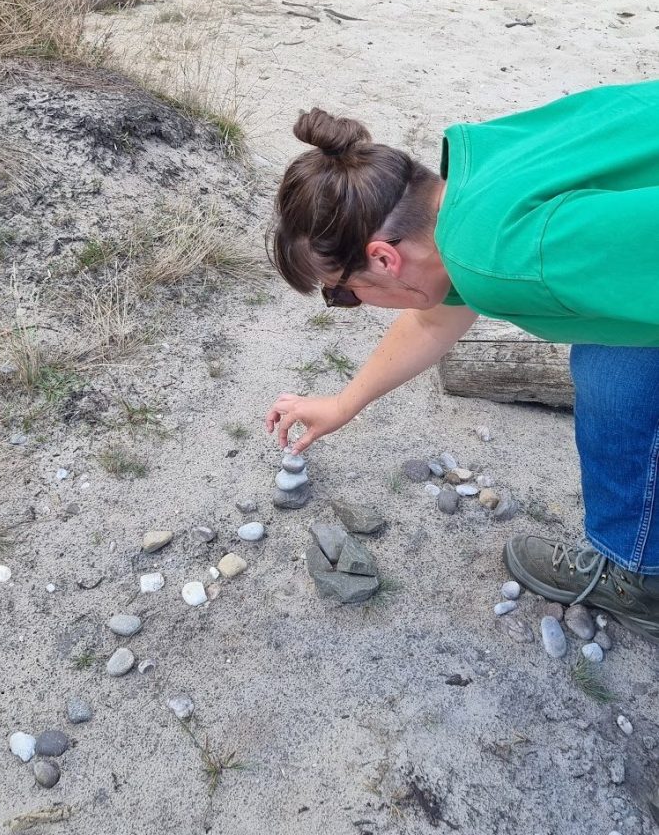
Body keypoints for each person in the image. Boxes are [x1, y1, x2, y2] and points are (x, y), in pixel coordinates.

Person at [264, 83, 659, 645]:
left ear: (383, 257)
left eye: (343, 293)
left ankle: (640, 580)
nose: (351, 305)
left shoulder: (502, 260)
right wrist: (345, 402)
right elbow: (435, 318)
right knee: (609, 360)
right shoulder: (471, 187)